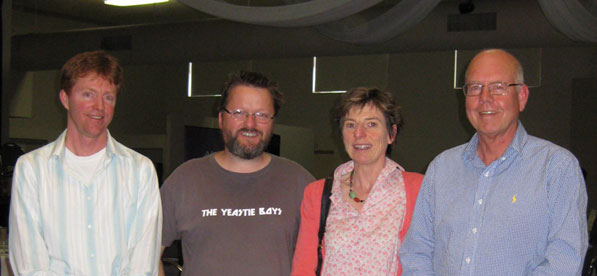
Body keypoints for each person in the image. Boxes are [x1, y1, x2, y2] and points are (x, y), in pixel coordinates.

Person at [400, 49, 588, 275]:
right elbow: (417, 252)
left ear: (521, 96)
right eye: (475, 88)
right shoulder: (441, 168)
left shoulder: (557, 167)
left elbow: (565, 260)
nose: (485, 98)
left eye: (498, 87)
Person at [8, 51, 162, 275]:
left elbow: (143, 264)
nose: (99, 106)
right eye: (88, 94)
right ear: (65, 99)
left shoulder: (140, 171)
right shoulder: (32, 169)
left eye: (108, 97)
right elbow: (29, 265)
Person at [159, 71, 315, 275]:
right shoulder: (185, 180)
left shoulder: (298, 181)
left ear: (272, 121)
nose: (250, 124)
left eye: (261, 115)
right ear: (222, 119)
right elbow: (147, 255)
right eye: (239, 112)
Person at [291, 87, 423, 275]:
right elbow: (303, 268)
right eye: (350, 125)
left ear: (391, 134)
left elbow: (427, 261)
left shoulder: (417, 189)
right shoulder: (318, 193)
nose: (359, 134)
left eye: (371, 124)